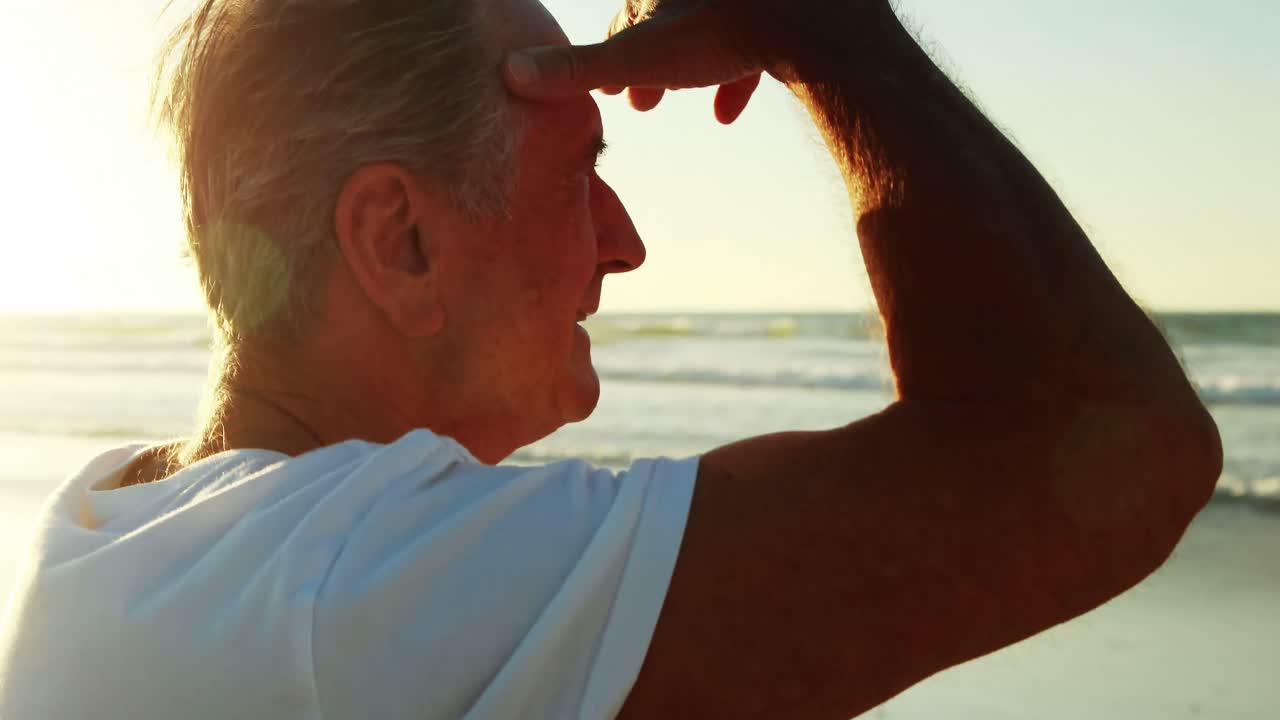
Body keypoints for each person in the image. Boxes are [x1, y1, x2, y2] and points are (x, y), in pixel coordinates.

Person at [0, 0, 1222, 717]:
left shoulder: (120, 533)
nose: (626, 245)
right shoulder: (345, 595)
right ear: (402, 240)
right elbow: (1110, 439)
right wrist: (823, 32)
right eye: (582, 172)